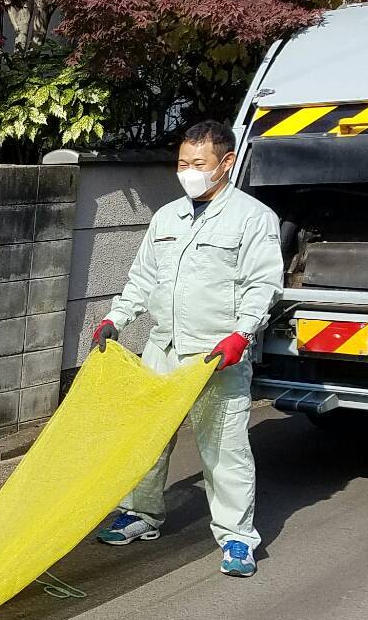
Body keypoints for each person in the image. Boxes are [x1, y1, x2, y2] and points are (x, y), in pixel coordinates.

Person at [92, 119, 283, 578]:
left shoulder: (253, 218)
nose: (188, 172)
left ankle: (237, 537)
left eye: (199, 164)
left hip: (217, 354)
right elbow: (142, 279)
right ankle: (141, 513)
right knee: (147, 439)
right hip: (164, 347)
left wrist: (243, 334)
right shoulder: (166, 217)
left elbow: (263, 285)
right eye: (182, 163)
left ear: (226, 163)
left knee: (224, 448)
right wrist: (115, 318)